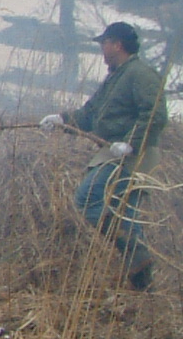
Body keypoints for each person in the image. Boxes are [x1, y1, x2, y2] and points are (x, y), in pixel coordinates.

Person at [42, 22, 168, 291]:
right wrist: (62, 120)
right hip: (114, 151)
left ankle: (138, 254)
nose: (102, 49)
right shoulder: (116, 76)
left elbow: (155, 115)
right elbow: (89, 115)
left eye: (104, 43)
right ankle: (143, 285)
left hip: (133, 155)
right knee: (127, 215)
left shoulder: (140, 74)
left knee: (87, 200)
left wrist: (131, 145)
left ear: (117, 45)